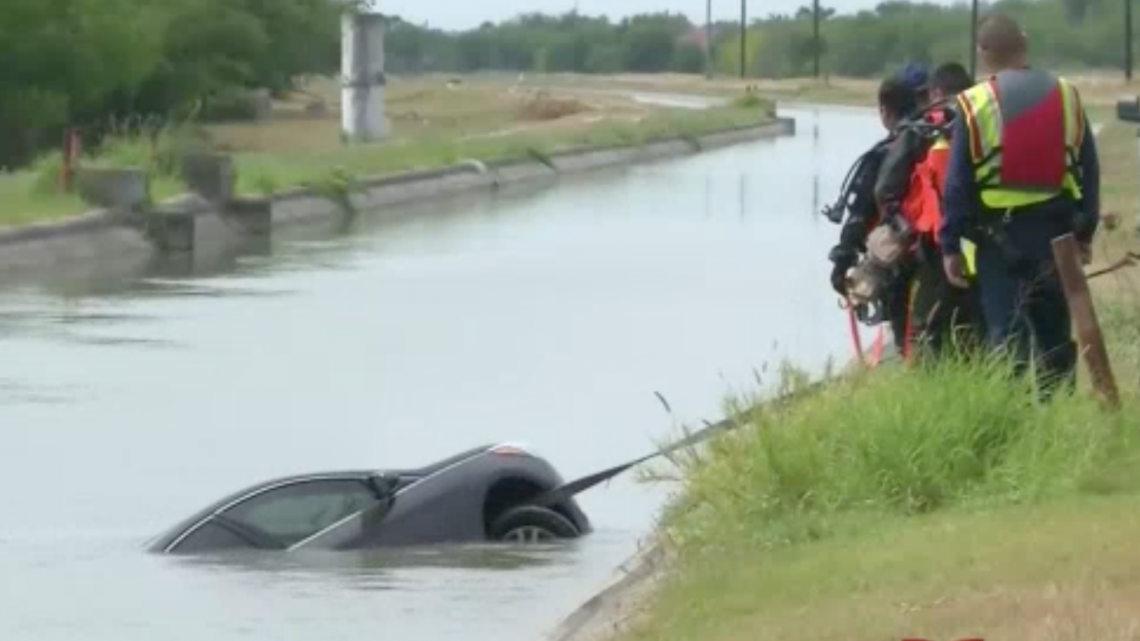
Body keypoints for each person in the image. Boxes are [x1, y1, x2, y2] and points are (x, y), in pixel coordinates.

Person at [940, 13, 1100, 395]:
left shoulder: (973, 103)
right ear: (1024, 43)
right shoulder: (1067, 94)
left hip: (998, 243)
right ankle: (1055, 415)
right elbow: (1088, 170)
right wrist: (1085, 232)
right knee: (1055, 338)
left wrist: (951, 246)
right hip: (1057, 237)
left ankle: (1012, 422)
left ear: (983, 53)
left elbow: (957, 184)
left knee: (1007, 336)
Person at [873, 62, 986, 363]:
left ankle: (926, 382)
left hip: (934, 247)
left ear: (936, 92)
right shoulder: (987, 121)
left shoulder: (923, 128)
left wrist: (901, 231)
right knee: (982, 326)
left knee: (926, 330)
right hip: (988, 241)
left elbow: (885, 190)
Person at [827, 75, 919, 352]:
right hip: (944, 254)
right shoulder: (937, 138)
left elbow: (860, 211)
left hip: (898, 259)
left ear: (885, 111)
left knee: (907, 336)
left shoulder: (884, 154)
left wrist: (842, 260)